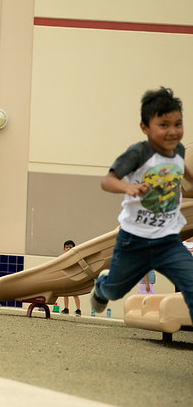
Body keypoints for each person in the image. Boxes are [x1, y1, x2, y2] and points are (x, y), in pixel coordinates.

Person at [91, 87, 193, 321]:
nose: (172, 131)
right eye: (164, 125)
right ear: (145, 127)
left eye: (178, 124)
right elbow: (108, 181)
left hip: (168, 241)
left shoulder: (177, 150)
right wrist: (128, 187)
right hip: (133, 242)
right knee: (115, 290)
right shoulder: (138, 153)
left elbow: (184, 172)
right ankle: (101, 287)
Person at [59, 240, 82, 316]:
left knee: (75, 293)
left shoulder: (76, 258)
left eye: (70, 247)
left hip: (74, 276)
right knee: (65, 293)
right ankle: (66, 308)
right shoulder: (62, 258)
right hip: (66, 276)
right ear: (64, 249)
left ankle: (78, 309)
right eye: (66, 247)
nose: (68, 249)